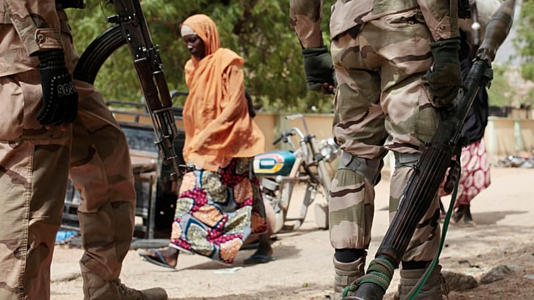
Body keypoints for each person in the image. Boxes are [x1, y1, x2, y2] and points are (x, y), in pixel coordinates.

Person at [290, 0, 461, 298]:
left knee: (355, 158)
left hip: (347, 31)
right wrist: (446, 45)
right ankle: (417, 284)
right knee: (412, 156)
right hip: (401, 25)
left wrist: (311, 47)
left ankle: (346, 282)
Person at [0, 1, 168, 299]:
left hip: (53, 49)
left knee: (106, 153)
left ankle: (104, 287)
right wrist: (48, 54)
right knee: (31, 202)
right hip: (26, 54)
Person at [138, 14, 273, 268]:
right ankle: (263, 244)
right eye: (186, 42)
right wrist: (197, 138)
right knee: (248, 192)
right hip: (205, 143)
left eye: (194, 40)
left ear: (207, 37)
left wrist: (208, 133)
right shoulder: (192, 68)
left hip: (235, 140)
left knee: (198, 190)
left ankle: (172, 251)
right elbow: (199, 107)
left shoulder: (227, 61)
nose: (189, 46)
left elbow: (234, 105)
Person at [438, 0, 500, 225]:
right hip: (443, 93)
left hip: (471, 96)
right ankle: (437, 207)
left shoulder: (475, 29)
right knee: (436, 150)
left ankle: (463, 207)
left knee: (469, 149)